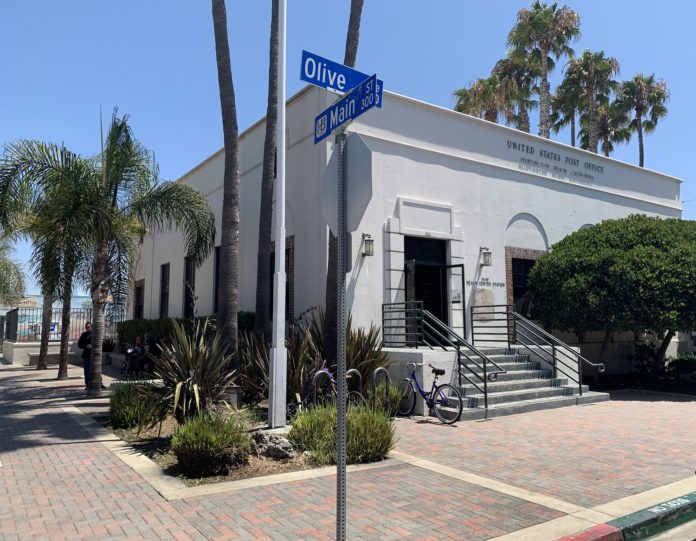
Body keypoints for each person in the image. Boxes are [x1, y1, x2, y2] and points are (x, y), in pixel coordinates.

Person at [77, 322, 92, 387]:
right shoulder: (84, 334)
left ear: (91, 327)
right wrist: (85, 346)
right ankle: (87, 384)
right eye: (86, 327)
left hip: (94, 355)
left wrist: (92, 346)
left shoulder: (95, 334)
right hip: (86, 355)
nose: (87, 328)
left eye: (88, 327)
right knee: (86, 370)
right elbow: (79, 344)